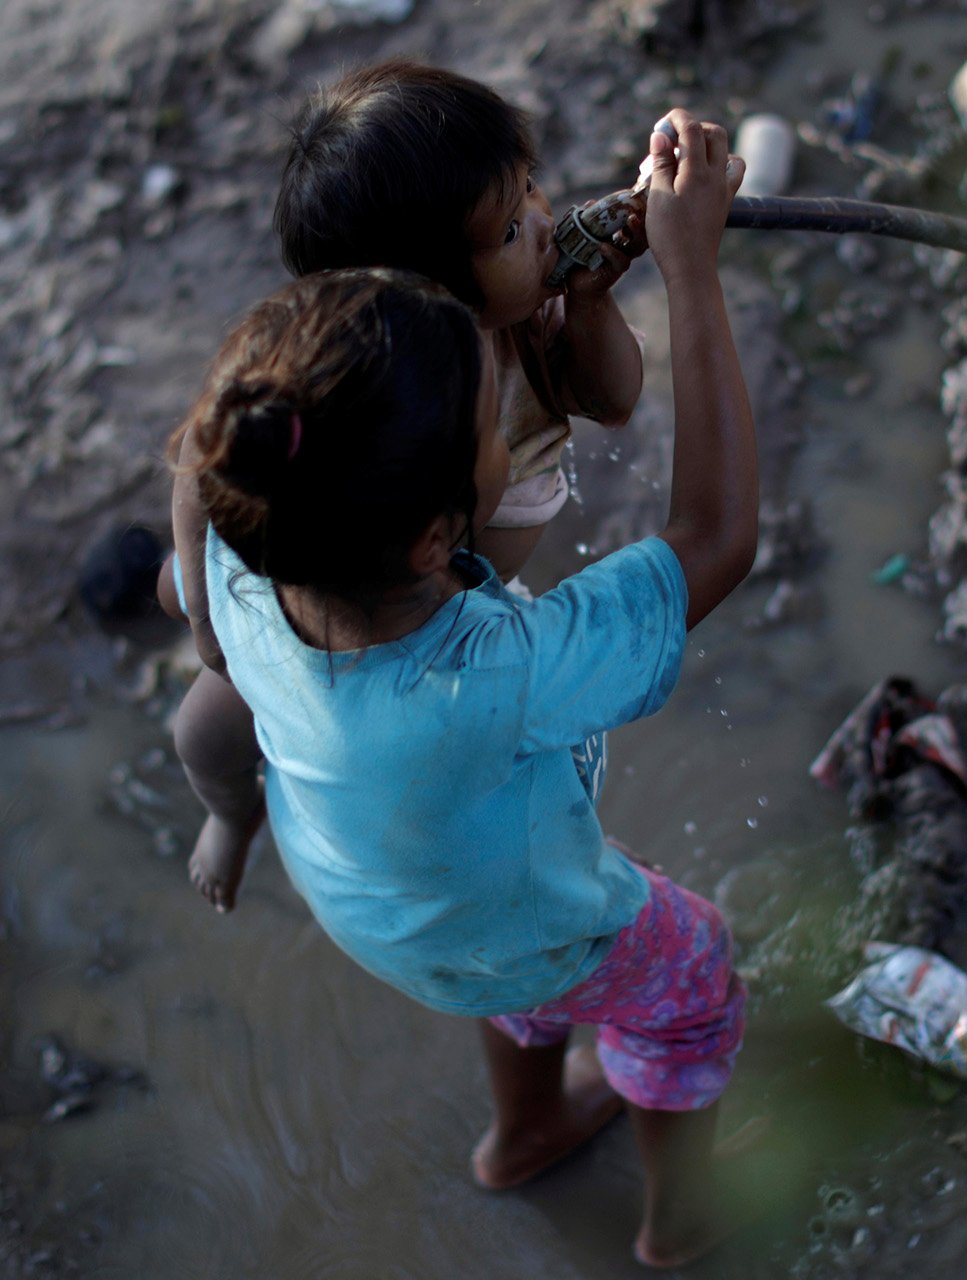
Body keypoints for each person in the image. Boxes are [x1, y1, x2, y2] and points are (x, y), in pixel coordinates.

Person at [167, 110, 757, 1267]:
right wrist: (694, 271)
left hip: (384, 898)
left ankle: (524, 1131)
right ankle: (682, 1220)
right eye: (494, 425)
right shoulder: (495, 670)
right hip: (502, 908)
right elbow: (716, 535)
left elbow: (197, 465)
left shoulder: (252, 553)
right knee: (693, 970)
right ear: (445, 533)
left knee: (513, 948)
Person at [163, 59, 711, 913]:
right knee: (203, 730)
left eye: (530, 187)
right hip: (337, 584)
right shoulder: (347, 390)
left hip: (445, 608)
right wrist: (206, 614)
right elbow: (202, 460)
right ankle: (233, 814)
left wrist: (595, 299)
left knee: (435, 782)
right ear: (421, 294)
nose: (539, 219)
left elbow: (615, 399)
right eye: (504, 232)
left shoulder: (526, 319)